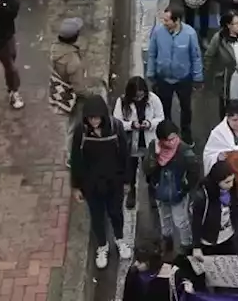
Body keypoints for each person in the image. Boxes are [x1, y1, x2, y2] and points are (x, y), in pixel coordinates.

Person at [70, 96, 133, 269]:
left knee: (115, 213)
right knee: (97, 216)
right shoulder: (80, 132)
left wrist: (127, 181)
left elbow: (124, 156)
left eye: (97, 117)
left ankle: (120, 239)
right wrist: (76, 186)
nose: (94, 121)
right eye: (91, 118)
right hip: (91, 185)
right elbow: (76, 159)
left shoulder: (116, 128)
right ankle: (102, 246)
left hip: (114, 182)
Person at [147, 7, 204, 145]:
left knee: (186, 108)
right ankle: (167, 134)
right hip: (163, 79)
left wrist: (198, 77)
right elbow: (152, 53)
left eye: (167, 20)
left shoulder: (190, 34)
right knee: (163, 109)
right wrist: (151, 73)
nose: (164, 22)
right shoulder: (157, 32)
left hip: (183, 79)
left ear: (177, 20)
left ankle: (186, 134)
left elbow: (196, 57)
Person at [190, 161, 238, 273]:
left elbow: (233, 208)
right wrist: (196, 247)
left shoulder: (232, 190)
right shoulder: (203, 196)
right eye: (227, 182)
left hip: (229, 236)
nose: (230, 185)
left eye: (232, 180)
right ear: (216, 181)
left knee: (228, 270)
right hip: (210, 240)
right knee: (213, 271)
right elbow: (196, 222)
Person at [146, 121, 200, 255]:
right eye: (168, 140)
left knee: (181, 221)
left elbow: (194, 170)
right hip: (160, 192)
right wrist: (155, 156)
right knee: (164, 219)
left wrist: (185, 186)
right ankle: (167, 241)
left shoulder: (184, 150)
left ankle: (186, 245)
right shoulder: (154, 147)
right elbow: (146, 169)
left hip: (178, 193)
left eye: (174, 138)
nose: (172, 142)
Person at [116, 77, 165, 209]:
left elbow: (160, 118)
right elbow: (117, 122)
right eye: (136, 96)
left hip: (148, 142)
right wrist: (131, 125)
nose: (139, 98)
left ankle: (152, 191)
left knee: (151, 169)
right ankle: (132, 192)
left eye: (141, 95)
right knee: (130, 170)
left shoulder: (153, 99)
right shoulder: (121, 102)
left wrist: (149, 124)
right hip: (131, 144)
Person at [205, 11, 238, 115]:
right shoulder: (219, 38)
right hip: (227, 80)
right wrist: (213, 75)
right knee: (227, 109)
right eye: (236, 23)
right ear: (228, 25)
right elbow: (209, 57)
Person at [49, 17, 84, 114]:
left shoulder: (54, 48)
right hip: (68, 98)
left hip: (56, 90)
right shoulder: (74, 61)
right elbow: (79, 89)